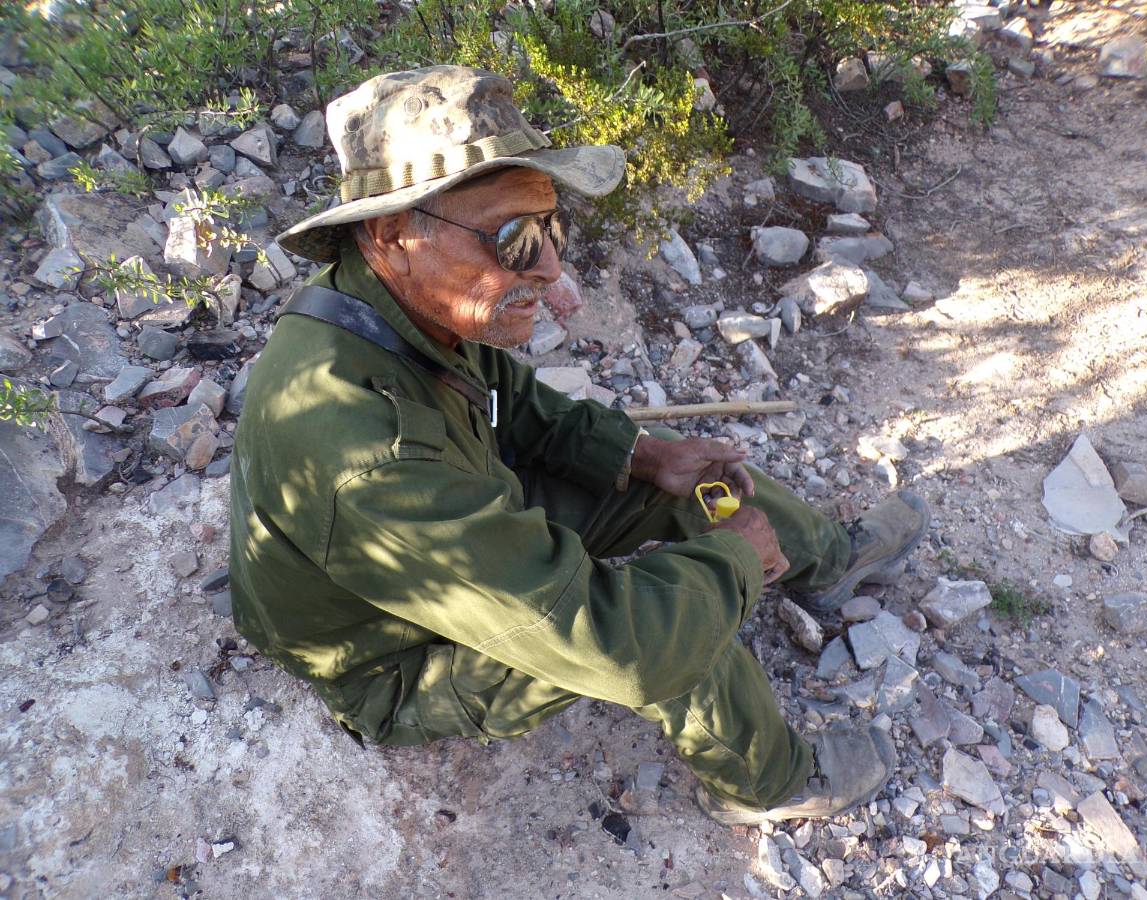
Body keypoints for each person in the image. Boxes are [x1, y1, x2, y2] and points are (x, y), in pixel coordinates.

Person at [230, 66, 930, 825]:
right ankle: (768, 783)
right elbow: (619, 647)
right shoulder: (367, 457)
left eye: (551, 229)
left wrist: (642, 456)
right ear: (394, 234)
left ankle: (827, 563)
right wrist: (731, 564)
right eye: (514, 240)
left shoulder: (408, 307)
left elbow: (515, 406)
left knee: (686, 474)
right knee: (671, 625)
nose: (551, 268)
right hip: (398, 656)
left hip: (460, 514)